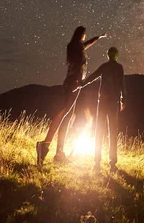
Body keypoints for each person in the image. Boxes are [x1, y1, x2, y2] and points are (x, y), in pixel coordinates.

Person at [36, 26, 106, 167]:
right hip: (74, 82)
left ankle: (59, 152)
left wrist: (98, 37)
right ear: (81, 34)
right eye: (85, 34)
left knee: (67, 115)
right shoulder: (77, 47)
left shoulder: (75, 46)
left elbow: (87, 44)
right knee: (64, 112)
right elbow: (81, 56)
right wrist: (77, 81)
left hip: (72, 81)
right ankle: (44, 145)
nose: (86, 37)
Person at [82, 46, 125, 172]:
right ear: (116, 55)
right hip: (113, 102)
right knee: (113, 131)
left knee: (99, 130)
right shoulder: (119, 67)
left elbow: (93, 76)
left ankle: (97, 162)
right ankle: (112, 162)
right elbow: (122, 84)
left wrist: (81, 84)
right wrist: (123, 99)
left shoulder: (104, 66)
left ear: (108, 55)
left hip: (103, 102)